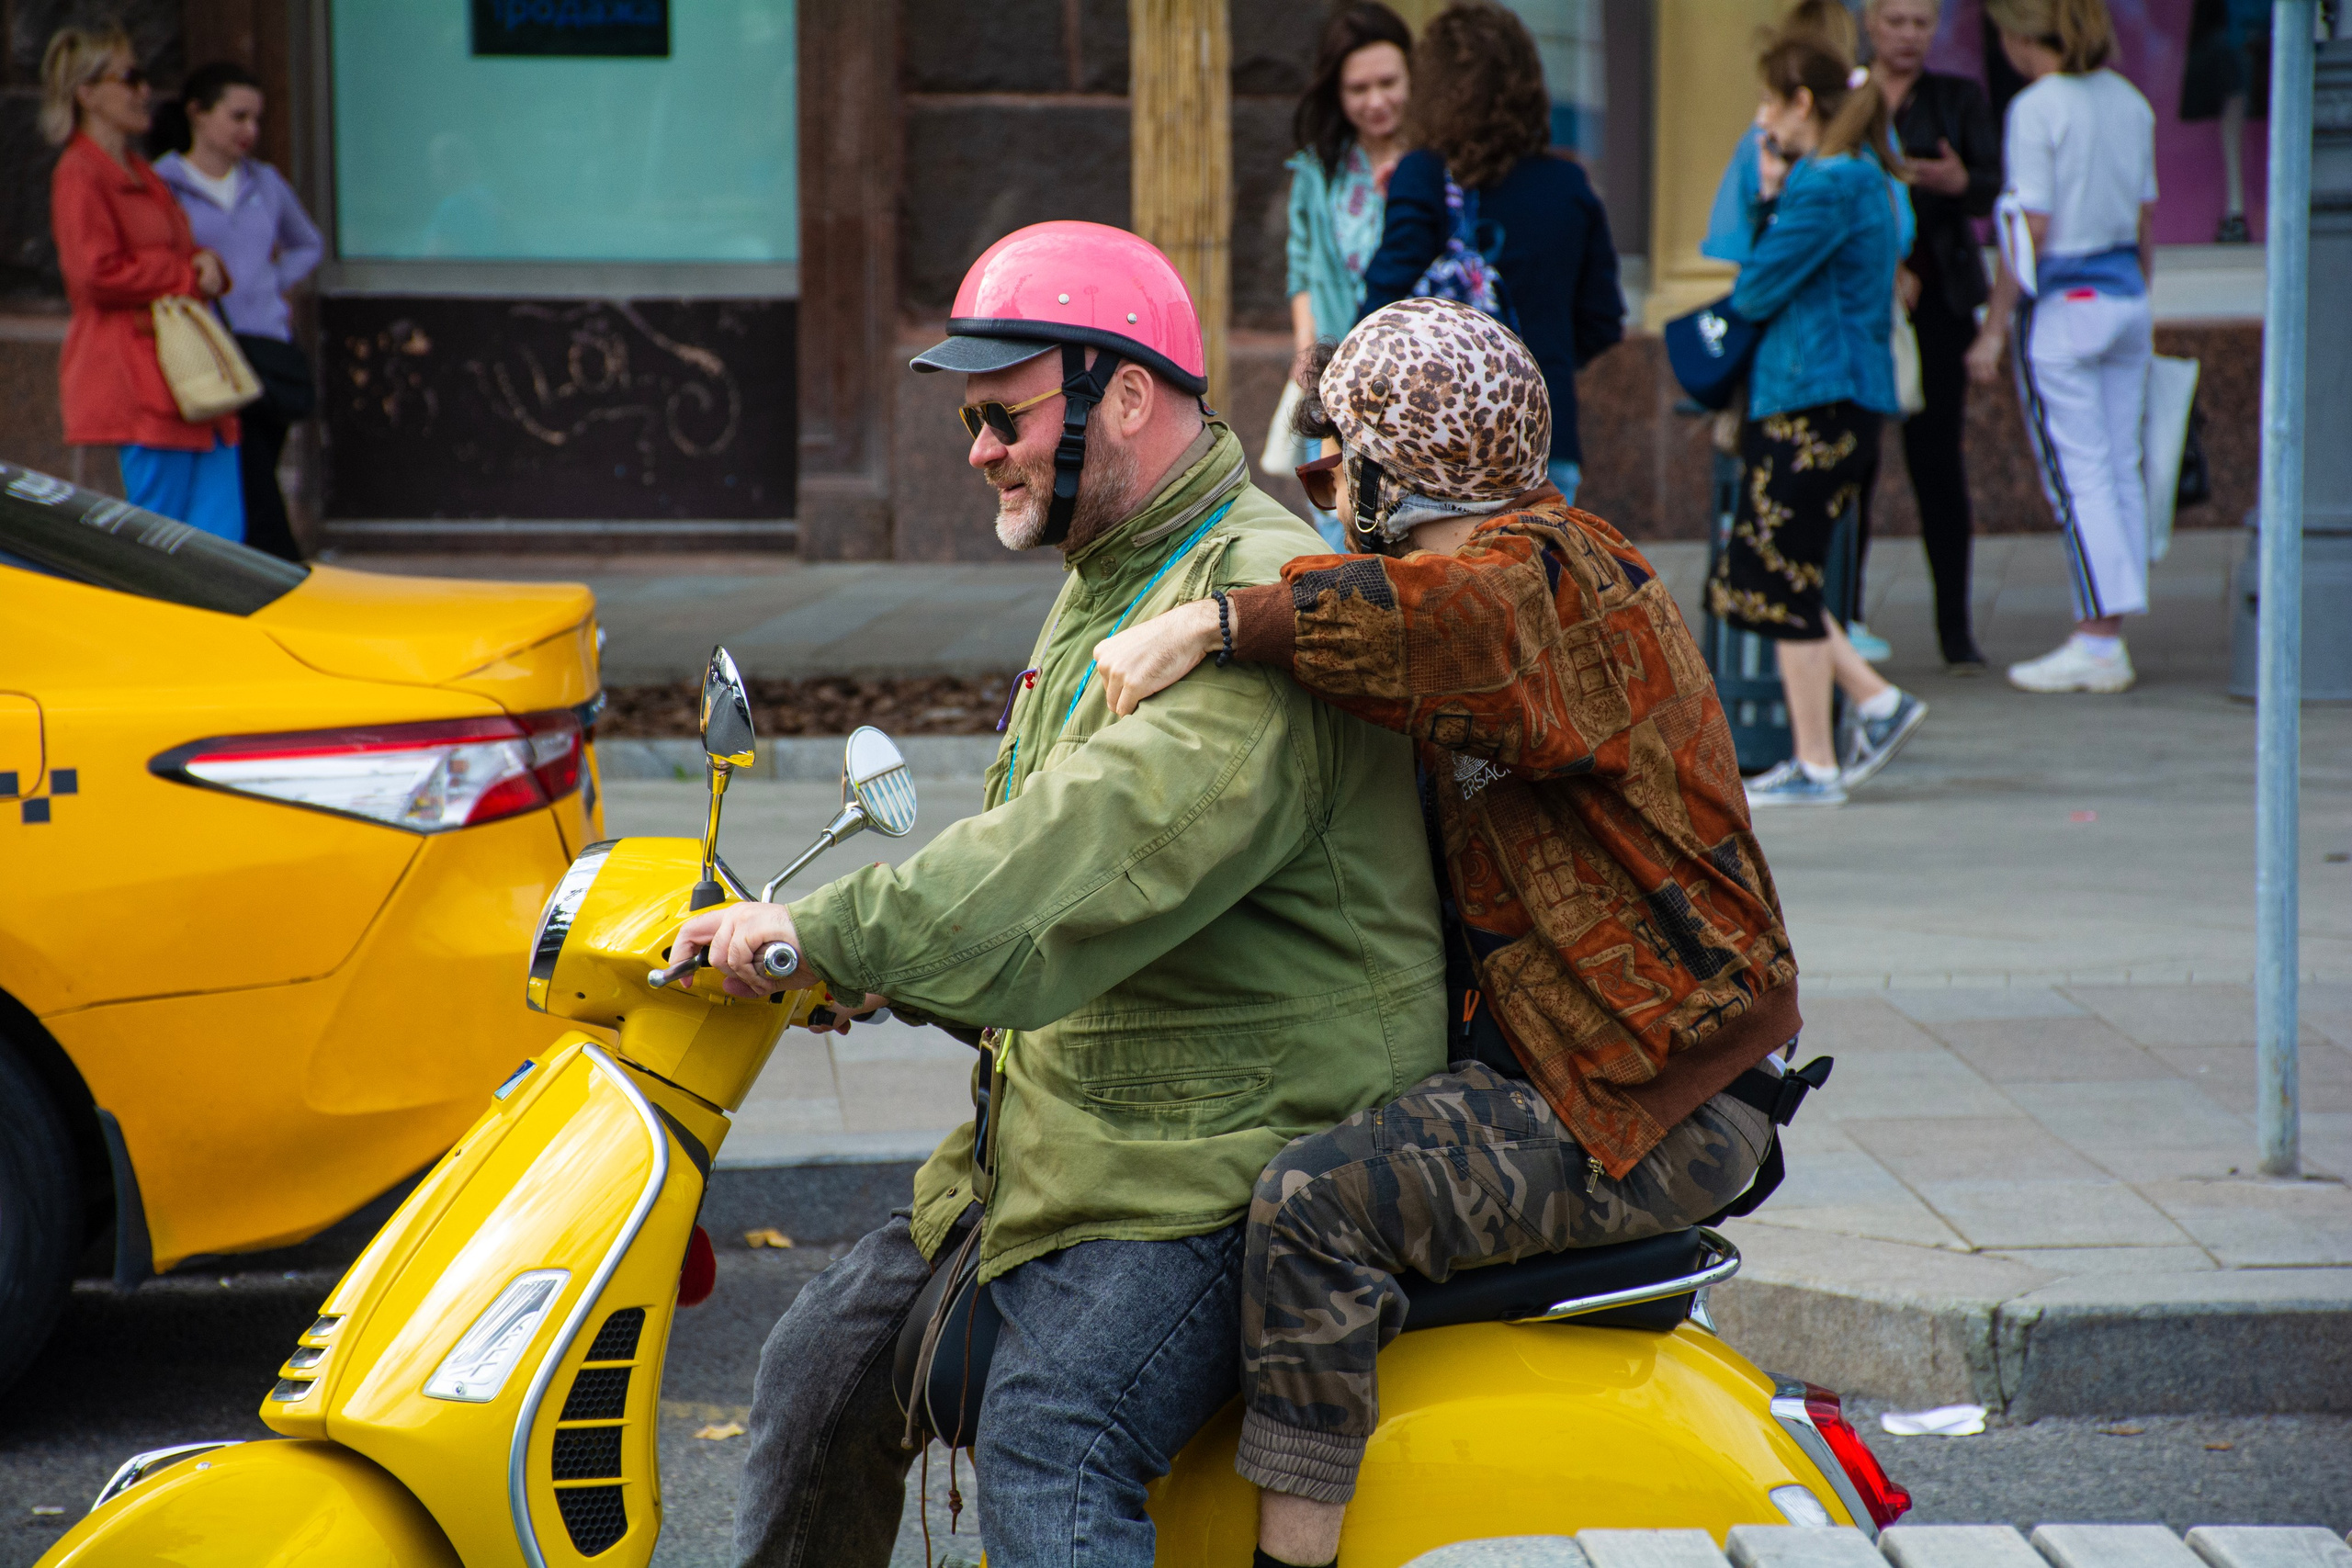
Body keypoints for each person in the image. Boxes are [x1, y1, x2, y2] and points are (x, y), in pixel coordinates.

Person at [676, 222, 1447, 1568]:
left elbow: (1096, 849)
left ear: (1127, 394)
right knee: (816, 1369)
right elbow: (1025, 844)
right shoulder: (1116, 570)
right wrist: (865, 965)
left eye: (1004, 411)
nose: (979, 446)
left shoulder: (1254, 586)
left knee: (1052, 1432)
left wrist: (836, 926)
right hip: (1076, 1127)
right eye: (971, 416)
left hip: (1225, 1145)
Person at [1091, 298, 1809, 1568]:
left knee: (1317, 1201)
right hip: (1594, 1061)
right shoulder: (1521, 578)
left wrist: (1213, 622)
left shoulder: (1547, 581)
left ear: (1389, 472)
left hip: (1649, 1097)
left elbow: (1440, 627)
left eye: (1336, 460)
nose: (1323, 487)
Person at [1704, 21, 1928, 808]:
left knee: (1773, 572)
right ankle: (1834, 740)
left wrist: (1768, 198)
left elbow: (1756, 288)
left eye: (1771, 103)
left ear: (1804, 101)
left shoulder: (1830, 180)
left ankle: (1854, 722)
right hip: (1832, 398)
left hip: (1811, 398)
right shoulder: (1862, 173)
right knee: (1776, 571)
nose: (1764, 121)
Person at [1358, 0, 1623, 505]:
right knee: (1537, 578)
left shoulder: (1423, 175)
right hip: (1541, 438)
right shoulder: (1569, 186)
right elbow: (1602, 321)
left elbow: (1380, 310)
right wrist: (1537, 359)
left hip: (1434, 444)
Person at [1967, 0, 2157, 695]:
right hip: (2124, 296)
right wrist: (2140, 295)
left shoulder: (2037, 107)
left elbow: (2031, 230)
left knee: (2079, 475)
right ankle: (2110, 628)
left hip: (2066, 307)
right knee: (2121, 468)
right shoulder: (2131, 102)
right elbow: (2145, 219)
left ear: (2019, 37)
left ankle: (2098, 638)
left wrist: (1993, 328)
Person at [43, 26, 243, 540]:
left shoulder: (136, 168)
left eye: (144, 78)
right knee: (159, 542)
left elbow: (173, 248)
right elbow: (94, 273)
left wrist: (203, 263)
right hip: (140, 380)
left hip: (189, 376)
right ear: (86, 93)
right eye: (129, 78)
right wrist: (184, 273)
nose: (144, 91)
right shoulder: (80, 173)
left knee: (217, 542)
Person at [1866, 0, 2001, 673]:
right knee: (1853, 464)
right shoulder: (1849, 96)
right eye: (1896, 21)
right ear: (1871, 22)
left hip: (1940, 298)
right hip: (1864, 298)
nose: (1909, 35)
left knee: (1937, 464)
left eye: (1921, 23)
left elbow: (1995, 188)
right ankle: (1845, 619)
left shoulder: (1956, 97)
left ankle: (1956, 629)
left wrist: (1959, 182)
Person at [154, 62, 323, 563]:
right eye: (238, 116)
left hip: (264, 344)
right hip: (207, 346)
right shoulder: (164, 183)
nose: (249, 131)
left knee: (259, 462)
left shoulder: (264, 183)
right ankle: (276, 563)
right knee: (240, 466)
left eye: (256, 119)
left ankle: (258, 563)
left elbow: (306, 243)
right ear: (198, 115)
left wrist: (273, 282)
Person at [1284, 2, 1414, 549]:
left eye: (1389, 82)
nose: (1376, 101)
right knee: (1340, 529)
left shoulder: (1438, 164)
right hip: (1341, 375)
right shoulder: (1320, 169)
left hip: (1417, 378)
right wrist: (1308, 354)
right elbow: (1303, 267)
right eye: (1359, 88)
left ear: (1414, 76)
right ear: (1336, 93)